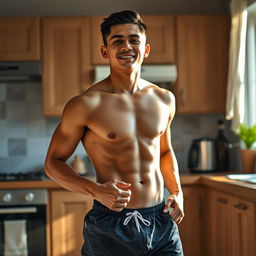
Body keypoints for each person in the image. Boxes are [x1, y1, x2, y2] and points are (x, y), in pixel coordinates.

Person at [45, 10, 184, 256]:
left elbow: (164, 151)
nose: (127, 46)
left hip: (161, 221)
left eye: (134, 40)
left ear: (146, 49)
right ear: (105, 51)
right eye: (117, 41)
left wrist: (177, 192)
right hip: (111, 224)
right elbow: (52, 164)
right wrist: (95, 190)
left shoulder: (164, 99)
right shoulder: (86, 104)